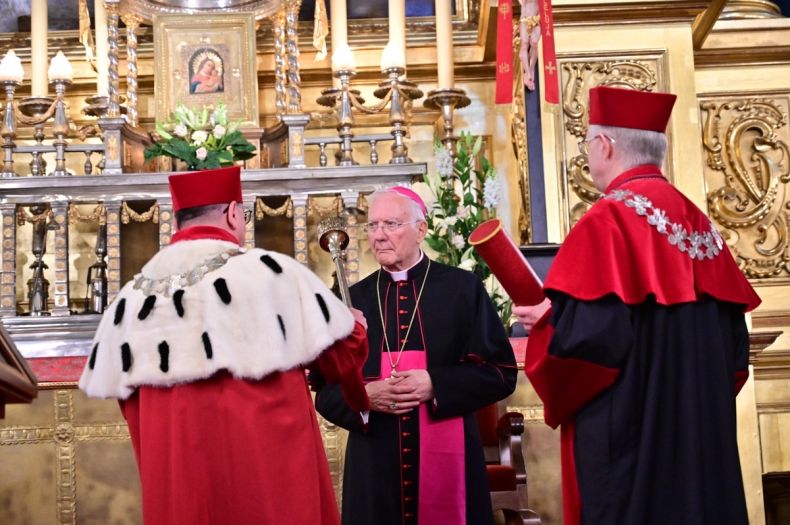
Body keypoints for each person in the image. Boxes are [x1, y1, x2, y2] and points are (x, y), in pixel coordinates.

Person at [514, 86, 761, 525]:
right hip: (700, 434)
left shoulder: (605, 222)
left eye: (589, 142)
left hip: (632, 445)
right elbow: (734, 352)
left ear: (605, 145)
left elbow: (587, 350)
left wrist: (549, 326)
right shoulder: (699, 223)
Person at [79, 165, 370, 525]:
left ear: (176, 221)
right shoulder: (271, 273)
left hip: (182, 493)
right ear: (233, 213)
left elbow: (131, 406)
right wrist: (354, 325)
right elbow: (341, 354)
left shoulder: (130, 300)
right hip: (269, 490)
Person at [314, 187, 518, 525]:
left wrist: (435, 384)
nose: (378, 236)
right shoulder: (352, 300)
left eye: (390, 224)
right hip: (373, 466)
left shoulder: (463, 289)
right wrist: (362, 396)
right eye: (372, 226)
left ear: (421, 230)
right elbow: (324, 390)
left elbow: (500, 373)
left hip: (451, 461)